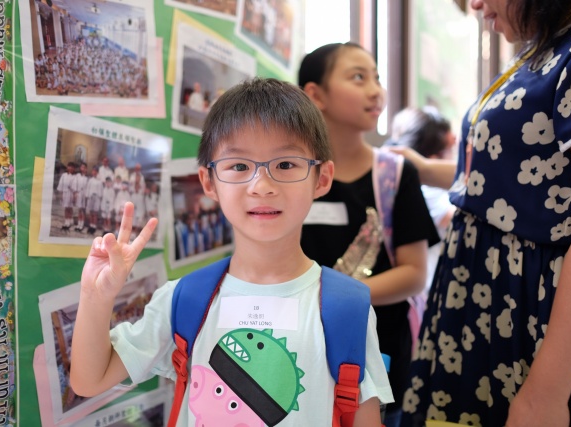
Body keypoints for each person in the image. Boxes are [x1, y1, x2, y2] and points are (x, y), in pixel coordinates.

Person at [70, 77, 393, 426]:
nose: (262, 186)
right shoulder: (183, 299)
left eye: (286, 164)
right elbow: (89, 380)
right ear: (209, 182)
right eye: (239, 166)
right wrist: (95, 295)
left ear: (322, 178)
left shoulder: (348, 308)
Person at [391, 1, 571, 426]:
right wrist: (419, 168)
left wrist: (545, 393)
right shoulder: (544, 48)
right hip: (480, 297)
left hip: (526, 309)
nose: (475, 4)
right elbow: (504, 174)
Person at [298, 42, 440, 427]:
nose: (376, 91)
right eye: (358, 78)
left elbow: (414, 274)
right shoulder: (291, 172)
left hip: (379, 360)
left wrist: (329, 299)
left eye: (377, 78)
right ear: (316, 95)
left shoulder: (395, 174)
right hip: (300, 353)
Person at [385, 106, 457, 294]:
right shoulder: (426, 191)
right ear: (434, 156)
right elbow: (457, 215)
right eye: (450, 149)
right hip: (426, 289)